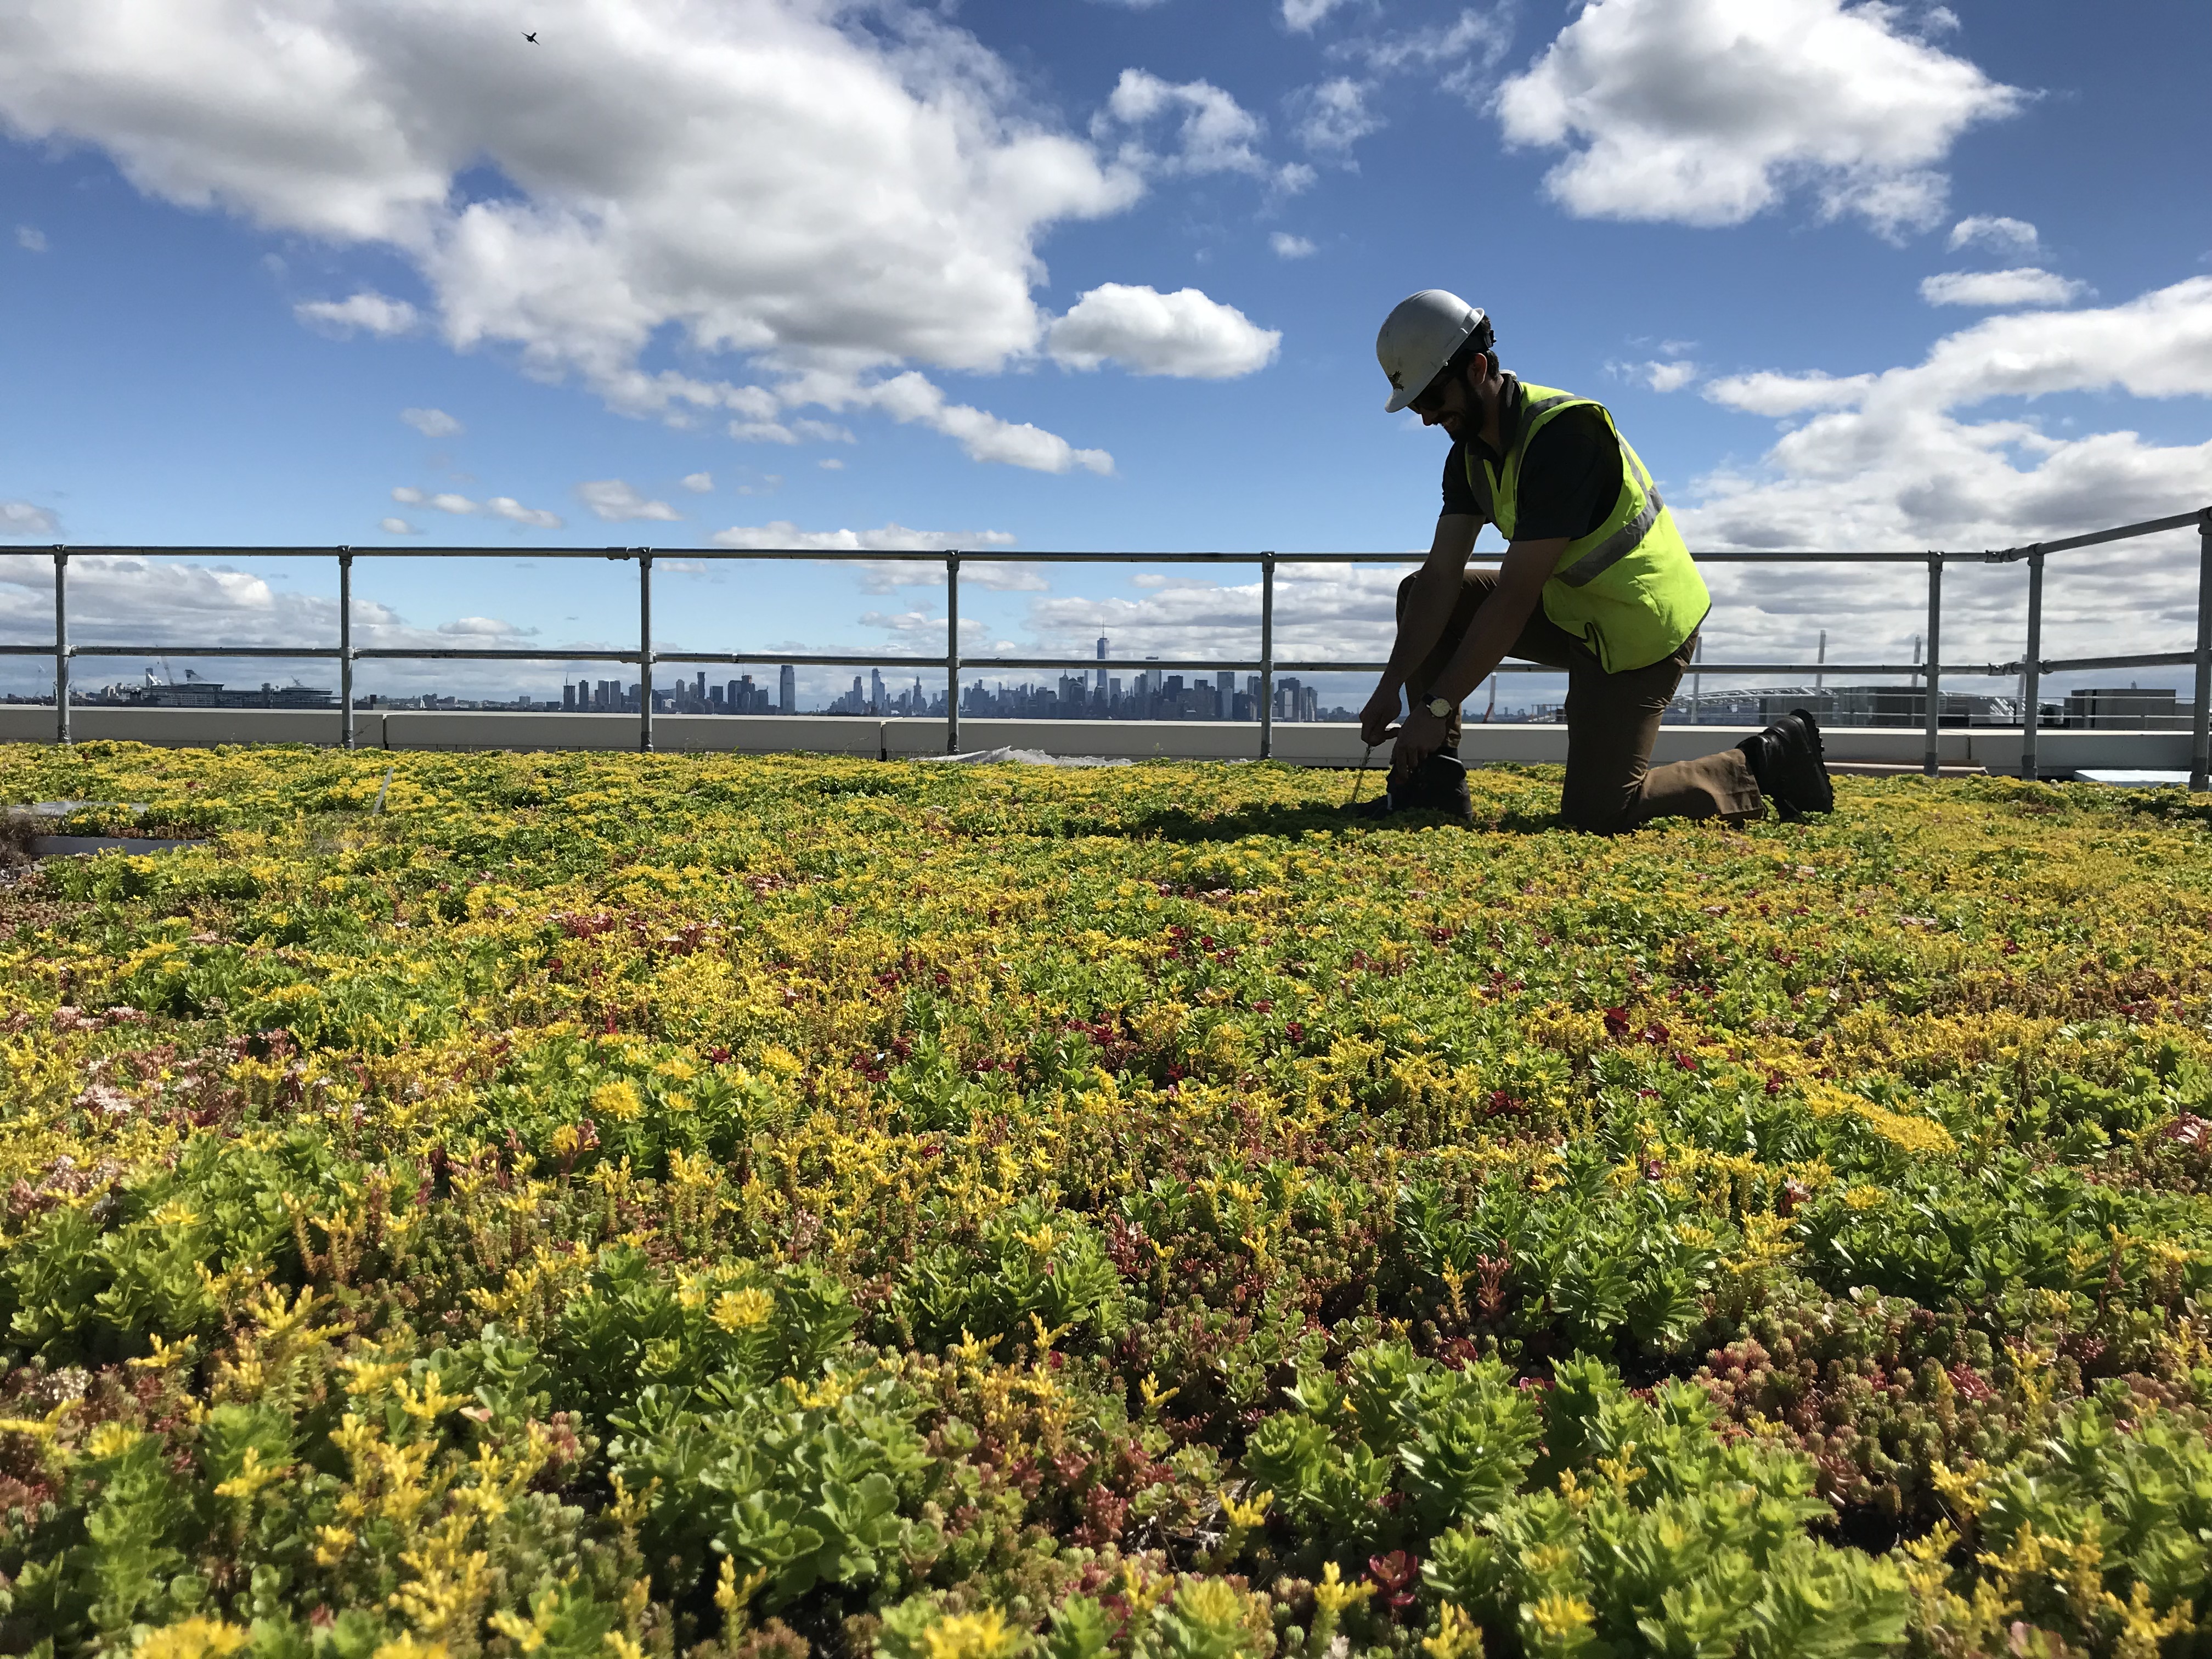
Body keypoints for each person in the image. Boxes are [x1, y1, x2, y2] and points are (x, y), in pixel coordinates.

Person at [1356, 290, 1832, 830]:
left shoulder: (1565, 437)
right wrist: (1391, 686)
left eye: (1432, 398)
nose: (1426, 418)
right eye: (1417, 405)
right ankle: (1434, 787)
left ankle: (1764, 762)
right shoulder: (1468, 457)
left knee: (1599, 812)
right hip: (1575, 612)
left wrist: (1435, 708)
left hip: (1640, 632)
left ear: (1478, 367)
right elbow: (1441, 578)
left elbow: (1514, 598)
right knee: (1419, 590)